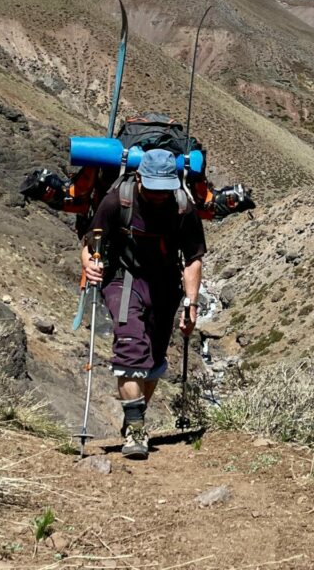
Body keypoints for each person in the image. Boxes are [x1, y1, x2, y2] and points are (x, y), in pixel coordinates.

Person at [81, 148, 206, 459]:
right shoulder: (116, 201)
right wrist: (89, 265)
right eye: (153, 189)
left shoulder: (182, 206)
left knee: (153, 358)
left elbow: (193, 259)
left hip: (165, 284)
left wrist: (191, 303)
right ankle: (136, 430)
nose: (159, 196)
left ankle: (133, 420)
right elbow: (90, 243)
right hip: (124, 278)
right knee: (130, 344)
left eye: (165, 190)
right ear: (139, 179)